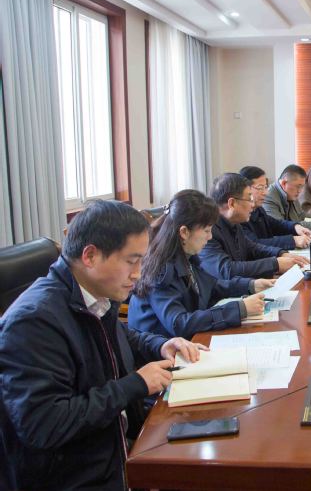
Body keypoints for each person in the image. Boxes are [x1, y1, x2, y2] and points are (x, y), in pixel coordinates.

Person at [0, 200, 204, 490]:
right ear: (90, 256)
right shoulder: (33, 322)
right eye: (131, 261)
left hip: (116, 447)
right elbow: (45, 424)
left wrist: (160, 345)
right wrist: (135, 384)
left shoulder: (93, 295)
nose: (138, 273)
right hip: (77, 475)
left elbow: (118, 335)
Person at [129, 189, 277, 340]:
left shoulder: (187, 255)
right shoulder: (160, 269)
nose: (210, 237)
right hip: (162, 350)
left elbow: (212, 286)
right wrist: (239, 309)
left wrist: (251, 285)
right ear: (184, 232)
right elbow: (179, 323)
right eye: (206, 231)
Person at [199, 173, 308, 280]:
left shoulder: (234, 223)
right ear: (231, 203)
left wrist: (281, 254)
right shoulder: (207, 230)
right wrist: (275, 264)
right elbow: (226, 269)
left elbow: (252, 248)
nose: (252, 204)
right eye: (249, 199)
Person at [240, 166, 311, 250]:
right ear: (246, 189)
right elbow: (254, 243)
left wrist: (295, 227)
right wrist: (292, 241)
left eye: (265, 187)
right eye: (260, 188)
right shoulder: (239, 216)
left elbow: (276, 224)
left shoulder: (258, 209)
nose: (265, 193)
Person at [264, 164, 311, 231]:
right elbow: (280, 227)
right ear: (284, 183)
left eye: (302, 187)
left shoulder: (291, 194)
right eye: (298, 186)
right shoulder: (268, 197)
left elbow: (301, 216)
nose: (300, 191)